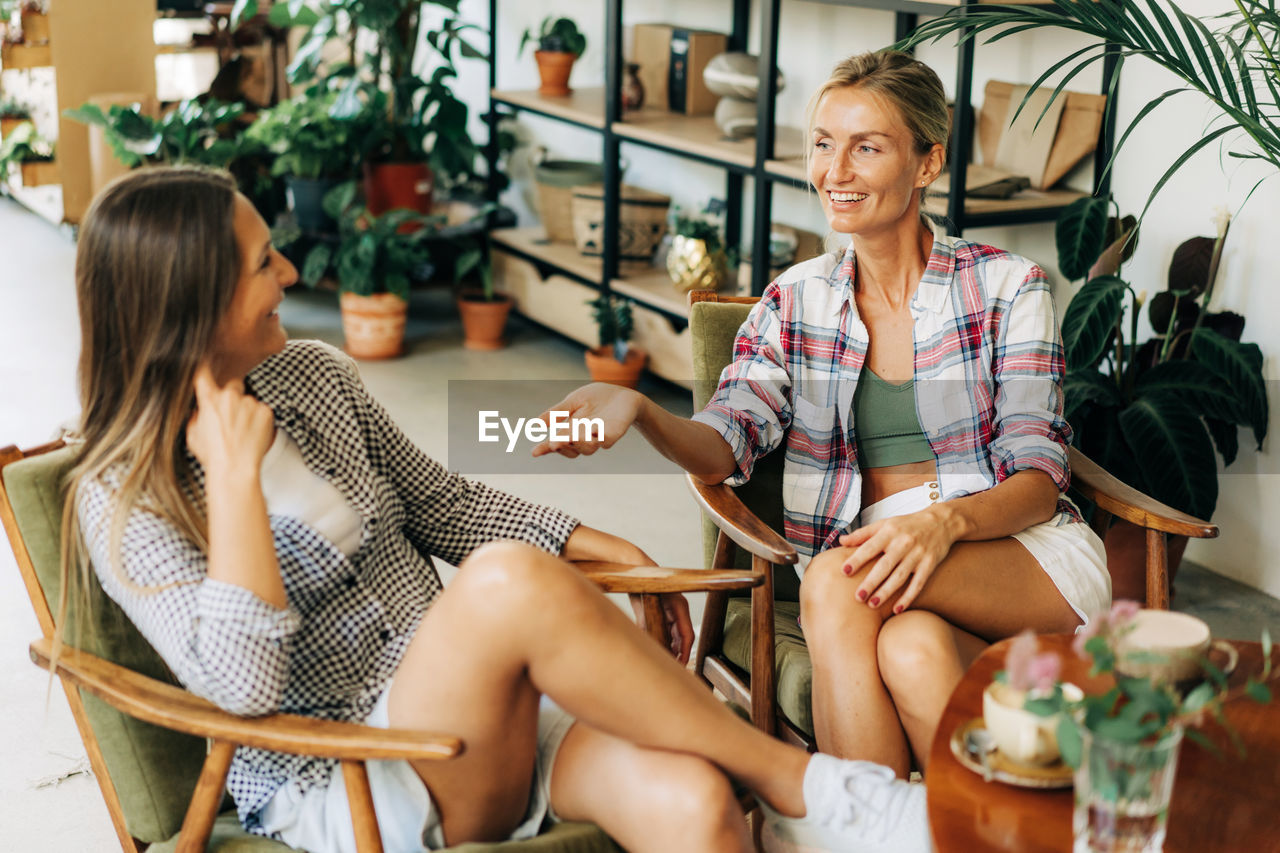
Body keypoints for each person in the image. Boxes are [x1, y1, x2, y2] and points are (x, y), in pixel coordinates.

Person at [58, 165, 933, 853]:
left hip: (487, 717)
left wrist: (607, 544)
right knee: (505, 580)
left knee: (697, 807)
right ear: (190, 304)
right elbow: (243, 694)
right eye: (261, 263)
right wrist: (237, 478)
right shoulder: (124, 493)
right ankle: (808, 784)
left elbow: (447, 502)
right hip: (350, 774)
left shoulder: (313, 378)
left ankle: (789, 792)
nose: (290, 270)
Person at [532, 51, 1112, 777]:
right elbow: (726, 438)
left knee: (836, 579)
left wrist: (942, 523)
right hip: (879, 564)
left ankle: (854, 822)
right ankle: (989, 821)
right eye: (823, 143)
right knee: (912, 650)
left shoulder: (1008, 287)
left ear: (927, 163)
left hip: (1017, 552)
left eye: (866, 146)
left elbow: (1038, 477)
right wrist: (641, 409)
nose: (834, 171)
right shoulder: (795, 300)